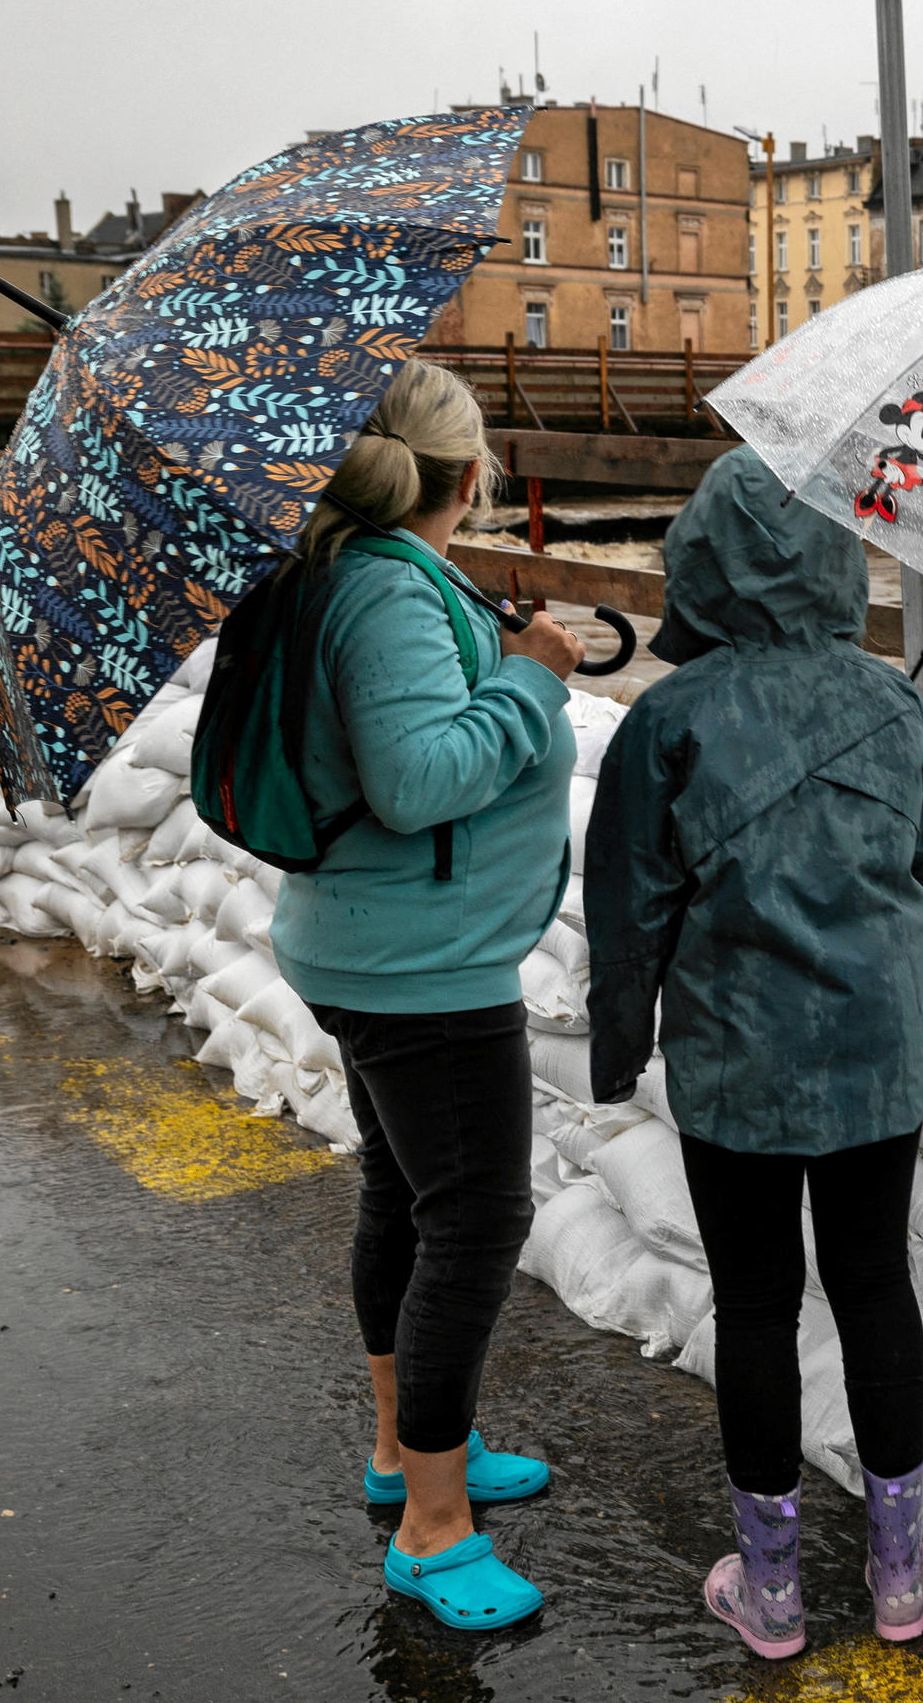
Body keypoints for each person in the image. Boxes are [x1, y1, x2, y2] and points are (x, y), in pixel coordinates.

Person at [586, 449, 923, 1660]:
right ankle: (900, 1572)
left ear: (695, 568)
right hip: (876, 1060)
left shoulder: (667, 721)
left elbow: (627, 909)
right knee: (873, 1291)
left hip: (735, 1065)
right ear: (830, 565)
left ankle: (771, 1591)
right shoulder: (893, 700)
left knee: (754, 1306)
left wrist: (618, 1048)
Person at [268, 360, 585, 1632]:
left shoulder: (349, 566)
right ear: (467, 476)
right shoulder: (385, 587)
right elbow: (412, 780)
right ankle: (435, 1529)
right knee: (475, 1221)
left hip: (374, 945)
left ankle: (408, 1454)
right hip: (421, 969)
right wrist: (533, 680)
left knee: (405, 1195)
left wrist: (497, 652)